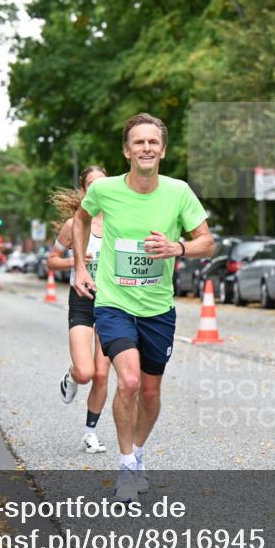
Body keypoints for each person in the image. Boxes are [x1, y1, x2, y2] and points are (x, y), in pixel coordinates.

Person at [72, 113, 214, 502]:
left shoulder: (178, 192)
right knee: (129, 381)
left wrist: (177, 247)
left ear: (163, 150)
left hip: (158, 307)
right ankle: (125, 468)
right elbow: (80, 220)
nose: (146, 148)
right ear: (126, 150)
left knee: (150, 393)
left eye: (153, 142)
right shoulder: (106, 191)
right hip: (114, 303)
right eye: (139, 142)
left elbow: (208, 241)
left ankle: (137, 453)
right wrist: (81, 267)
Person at [50, 166, 110, 454]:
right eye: (92, 186)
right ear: (84, 192)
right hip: (83, 301)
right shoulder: (74, 224)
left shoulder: (119, 222)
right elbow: (51, 260)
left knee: (101, 374)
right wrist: (75, 262)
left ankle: (90, 433)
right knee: (86, 372)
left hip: (113, 303)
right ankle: (71, 377)